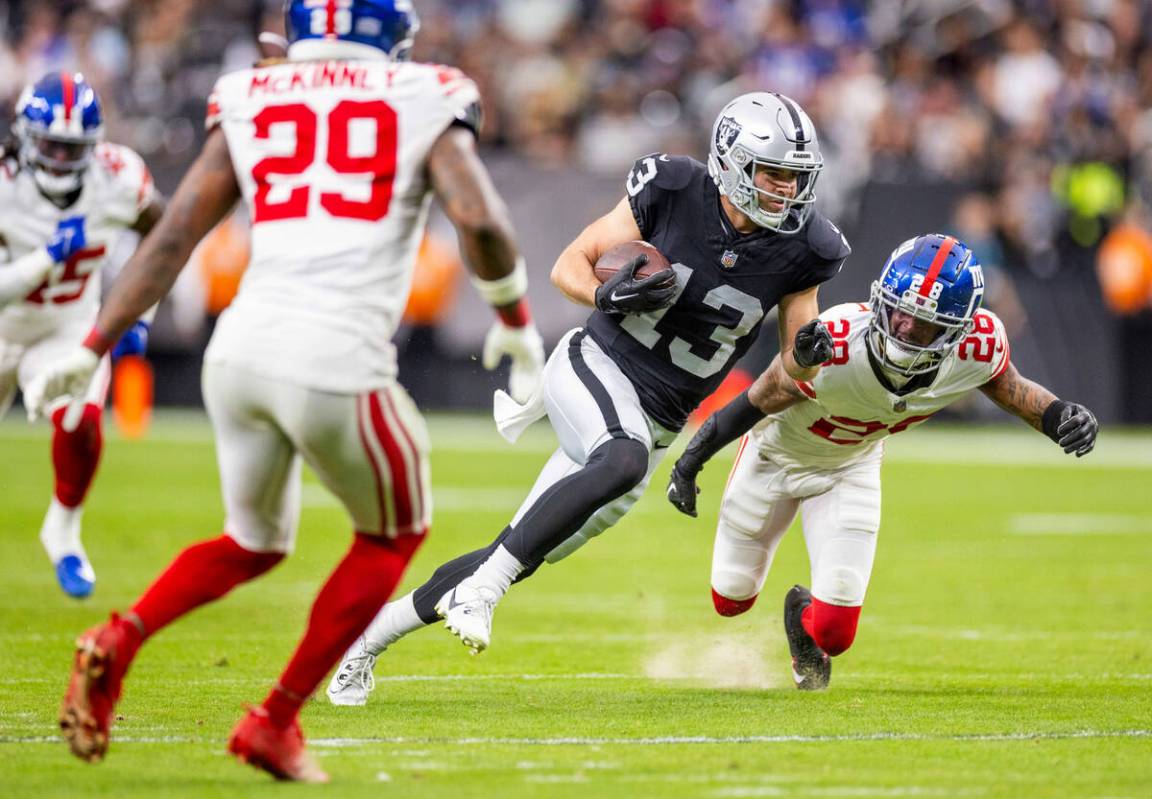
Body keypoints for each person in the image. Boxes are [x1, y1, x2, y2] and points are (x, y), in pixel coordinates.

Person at [26, 0, 545, 783]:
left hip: (236, 355)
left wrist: (94, 342)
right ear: (390, 34)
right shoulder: (424, 91)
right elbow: (478, 214)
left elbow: (173, 236)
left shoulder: (251, 92)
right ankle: (274, 719)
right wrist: (514, 316)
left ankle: (118, 640)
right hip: (334, 356)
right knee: (392, 535)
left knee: (253, 541)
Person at [327, 91, 850, 706]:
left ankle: (364, 642)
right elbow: (570, 263)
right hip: (597, 364)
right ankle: (483, 592)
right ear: (732, 162)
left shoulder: (807, 246)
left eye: (796, 178)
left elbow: (791, 369)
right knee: (617, 459)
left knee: (521, 548)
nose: (786, 191)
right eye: (774, 174)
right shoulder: (676, 188)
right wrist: (603, 297)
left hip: (661, 422)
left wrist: (808, 356)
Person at [664, 233, 1098, 690]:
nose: (906, 329)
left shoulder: (976, 347)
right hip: (774, 458)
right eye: (899, 311)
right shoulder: (834, 343)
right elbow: (755, 400)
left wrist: (1057, 416)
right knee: (730, 597)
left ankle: (803, 619)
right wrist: (691, 460)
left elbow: (1008, 386)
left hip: (849, 469)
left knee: (834, 633)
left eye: (925, 324)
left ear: (957, 331)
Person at [0, 71, 163, 599]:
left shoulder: (117, 178)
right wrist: (45, 259)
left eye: (74, 149)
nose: (62, 161)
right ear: (26, 138)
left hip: (66, 325)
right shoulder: (5, 186)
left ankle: (63, 530)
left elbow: (166, 241)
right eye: (51, 146)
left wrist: (140, 315)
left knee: (82, 420)